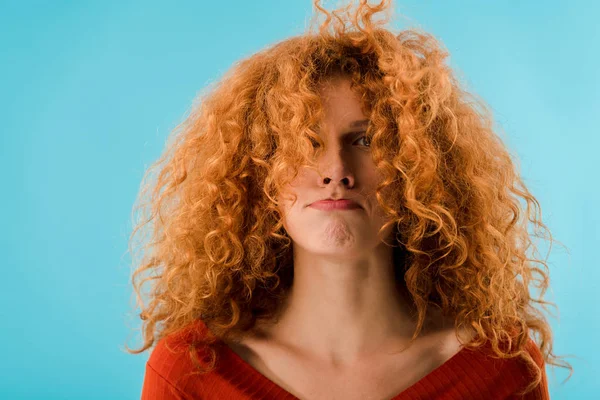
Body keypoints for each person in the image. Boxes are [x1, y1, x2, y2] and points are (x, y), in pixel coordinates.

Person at [127, 1, 571, 398]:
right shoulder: (192, 369)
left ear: (419, 165)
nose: (335, 170)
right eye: (305, 142)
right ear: (254, 171)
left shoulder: (502, 366)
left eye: (366, 140)